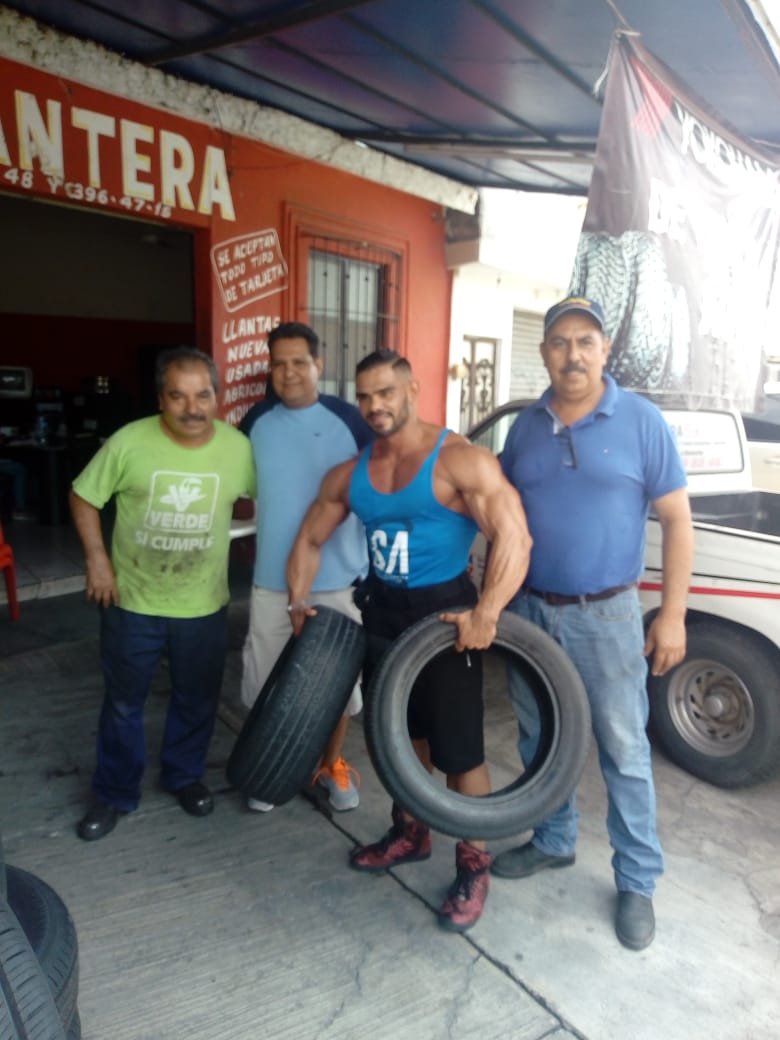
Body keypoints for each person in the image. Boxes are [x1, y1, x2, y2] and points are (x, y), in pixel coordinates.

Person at [287, 349, 532, 932]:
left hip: (445, 618)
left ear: (412, 390)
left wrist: (487, 611)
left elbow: (514, 535)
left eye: (385, 393)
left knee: (460, 754)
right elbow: (309, 538)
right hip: (382, 614)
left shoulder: (457, 460)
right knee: (402, 739)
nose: (374, 405)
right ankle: (410, 832)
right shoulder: (351, 474)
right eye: (365, 396)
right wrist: (298, 600)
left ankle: (473, 864)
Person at [493, 295, 694, 951]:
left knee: (623, 749)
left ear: (605, 350)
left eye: (586, 341)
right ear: (544, 352)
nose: (573, 354)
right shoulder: (525, 427)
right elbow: (497, 507)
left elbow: (677, 520)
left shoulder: (641, 421)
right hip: (529, 611)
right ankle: (553, 840)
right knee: (540, 737)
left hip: (606, 616)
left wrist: (672, 614)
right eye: (560, 342)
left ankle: (637, 880)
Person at [70, 347, 255, 841]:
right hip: (132, 600)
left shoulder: (239, 448)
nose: (192, 408)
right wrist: (97, 561)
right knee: (123, 704)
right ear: (160, 400)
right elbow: (83, 496)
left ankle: (184, 776)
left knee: (197, 699)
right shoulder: (129, 442)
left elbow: (273, 500)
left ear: (217, 397)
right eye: (178, 396)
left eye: (202, 396)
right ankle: (114, 792)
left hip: (203, 603)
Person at [239, 322, 370, 812]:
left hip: (339, 581)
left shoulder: (350, 421)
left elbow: (382, 479)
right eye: (279, 363)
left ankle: (330, 765)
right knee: (265, 684)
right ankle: (266, 770)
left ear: (319, 365)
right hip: (273, 581)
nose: (289, 372)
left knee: (337, 688)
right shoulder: (256, 422)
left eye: (299, 362)